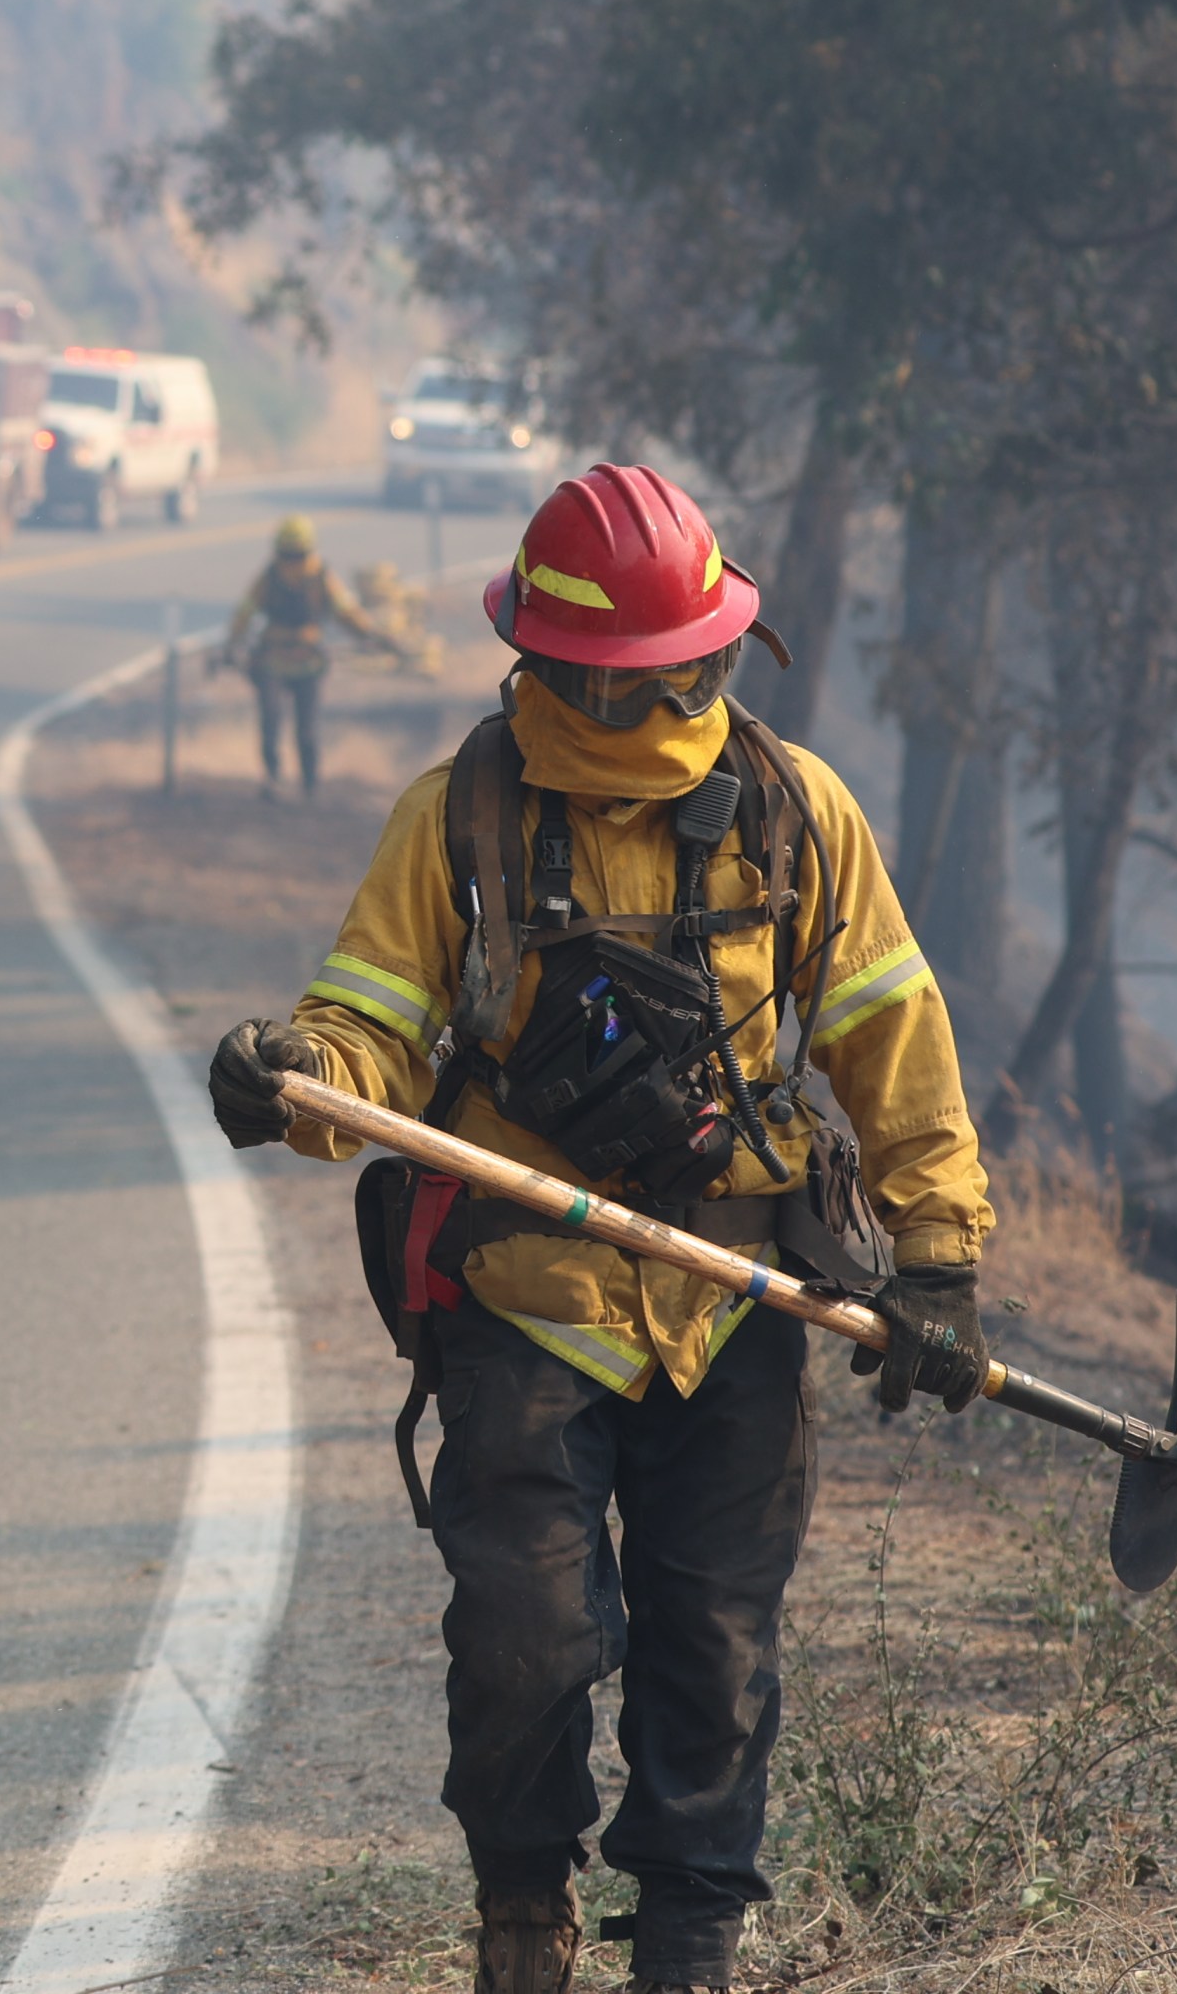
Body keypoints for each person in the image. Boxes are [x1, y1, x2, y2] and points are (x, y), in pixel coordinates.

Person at [206, 463, 994, 1994]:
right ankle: (523, 1912)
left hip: (744, 1300)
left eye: (684, 672)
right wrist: (300, 1075)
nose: (660, 705)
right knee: (526, 1640)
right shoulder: (459, 818)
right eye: (628, 681)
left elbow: (894, 1033)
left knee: (715, 1653)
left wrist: (942, 1257)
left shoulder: (796, 813)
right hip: (526, 1296)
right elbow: (365, 1023)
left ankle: (688, 1945)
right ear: (552, 666)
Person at [222, 514, 417, 798]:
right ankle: (273, 778)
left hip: (308, 662)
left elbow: (347, 612)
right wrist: (231, 643)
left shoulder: (322, 577)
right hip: (271, 659)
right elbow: (244, 613)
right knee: (271, 721)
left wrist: (375, 635)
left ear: (308, 551)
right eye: (286, 555)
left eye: (296, 555)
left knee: (307, 730)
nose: (291, 563)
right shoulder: (269, 577)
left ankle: (310, 784)